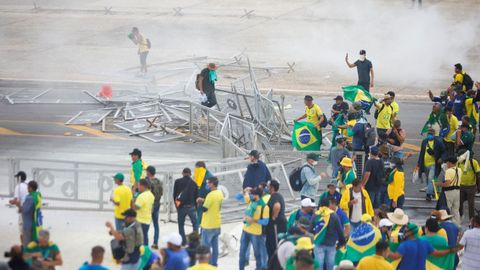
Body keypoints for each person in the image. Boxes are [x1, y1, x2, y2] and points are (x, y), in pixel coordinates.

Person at [388, 223, 453, 270]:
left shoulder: (405, 245)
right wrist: (449, 250)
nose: (404, 232)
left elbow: (395, 257)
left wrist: (385, 251)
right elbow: (437, 254)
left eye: (406, 231)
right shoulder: (425, 243)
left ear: (410, 232)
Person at [239, 187, 270, 270]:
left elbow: (265, 222)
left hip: (256, 233)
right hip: (245, 230)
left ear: (257, 195)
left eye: (252, 194)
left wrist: (253, 220)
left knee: (257, 254)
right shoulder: (250, 201)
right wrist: (244, 191)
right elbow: (238, 197)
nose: (251, 195)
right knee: (242, 253)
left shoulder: (264, 207)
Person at [311, 199, 346, 270]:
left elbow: (310, 229)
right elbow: (339, 230)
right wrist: (342, 242)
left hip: (318, 243)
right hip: (331, 243)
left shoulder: (316, 215)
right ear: (329, 205)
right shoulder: (333, 215)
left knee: (319, 265)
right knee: (330, 265)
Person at [200, 177, 223, 266]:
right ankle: (214, 263)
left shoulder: (210, 195)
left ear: (212, 183)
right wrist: (205, 200)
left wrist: (200, 202)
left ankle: (207, 265)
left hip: (208, 224)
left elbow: (204, 209)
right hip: (217, 223)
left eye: (208, 182)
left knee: (206, 247)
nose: (207, 184)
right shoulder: (220, 193)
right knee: (215, 246)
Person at [417, 128, 446, 201]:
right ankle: (432, 191)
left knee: (430, 178)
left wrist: (441, 159)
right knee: (428, 179)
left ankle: (428, 194)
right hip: (426, 164)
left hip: (434, 164)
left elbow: (444, 152)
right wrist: (419, 164)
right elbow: (421, 153)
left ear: (434, 135)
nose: (429, 135)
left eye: (431, 134)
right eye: (428, 134)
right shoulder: (424, 142)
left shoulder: (438, 142)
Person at [173, 168, 199, 246]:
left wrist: (177, 206)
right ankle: (195, 242)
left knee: (181, 224)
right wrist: (195, 207)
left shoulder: (177, 182)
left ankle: (183, 242)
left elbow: (174, 195)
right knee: (195, 224)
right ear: (190, 174)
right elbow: (196, 196)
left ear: (182, 173)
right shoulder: (194, 183)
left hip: (181, 207)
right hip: (191, 207)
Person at [436, 156, 462, 226]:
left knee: (446, 210)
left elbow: (447, 184)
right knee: (456, 210)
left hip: (449, 192)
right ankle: (457, 226)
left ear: (450, 163)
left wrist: (438, 184)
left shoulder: (448, 171)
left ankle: (446, 226)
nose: (447, 164)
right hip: (457, 191)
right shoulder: (459, 170)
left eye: (447, 163)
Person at [266, 180, 287, 262]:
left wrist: (274, 217)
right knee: (271, 246)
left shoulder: (275, 196)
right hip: (275, 225)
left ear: (272, 187)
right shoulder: (275, 196)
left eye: (268, 186)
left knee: (275, 246)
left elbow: (277, 206)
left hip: (276, 225)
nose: (267, 188)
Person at [457, 150, 479, 220]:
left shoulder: (473, 162)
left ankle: (471, 219)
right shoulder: (458, 163)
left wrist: (478, 186)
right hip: (461, 186)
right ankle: (460, 216)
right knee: (459, 202)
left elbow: (478, 174)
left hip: (471, 187)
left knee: (471, 204)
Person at [145, 166, 163, 249]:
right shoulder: (159, 181)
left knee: (146, 223)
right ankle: (155, 243)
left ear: (149, 172)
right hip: (157, 204)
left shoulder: (147, 181)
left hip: (149, 204)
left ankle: (145, 243)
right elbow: (161, 192)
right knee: (156, 224)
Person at [9, 171, 29, 245]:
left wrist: (11, 202)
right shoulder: (30, 184)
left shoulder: (18, 186)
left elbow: (16, 200)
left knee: (21, 230)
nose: (17, 179)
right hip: (31, 210)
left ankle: (24, 247)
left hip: (23, 210)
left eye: (17, 177)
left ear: (19, 178)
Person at [21, 180, 42, 247]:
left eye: (28, 187)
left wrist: (18, 204)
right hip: (36, 224)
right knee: (34, 244)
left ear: (31, 188)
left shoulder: (30, 197)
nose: (27, 188)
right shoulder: (38, 196)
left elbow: (24, 210)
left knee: (27, 245)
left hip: (28, 225)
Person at [134, 179, 155, 245]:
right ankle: (145, 250)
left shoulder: (141, 196)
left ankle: (141, 251)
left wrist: (133, 200)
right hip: (147, 219)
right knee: (145, 236)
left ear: (143, 186)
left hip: (140, 220)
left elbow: (136, 207)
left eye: (138, 185)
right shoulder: (151, 195)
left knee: (139, 238)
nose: (138, 187)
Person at [194, 161, 214, 227]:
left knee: (205, 222)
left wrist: (204, 199)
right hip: (199, 202)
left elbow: (212, 193)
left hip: (206, 203)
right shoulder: (198, 176)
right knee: (199, 221)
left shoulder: (209, 177)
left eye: (197, 169)